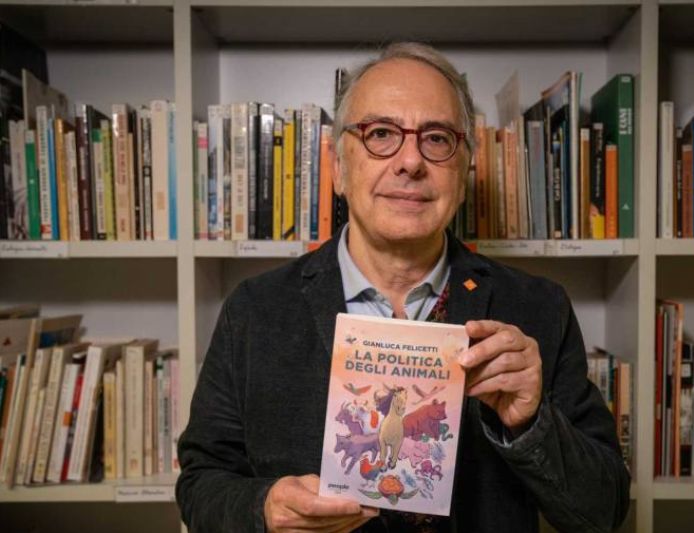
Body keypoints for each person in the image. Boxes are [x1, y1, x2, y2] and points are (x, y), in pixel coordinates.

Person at [176, 42, 630, 533]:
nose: (410, 161)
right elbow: (200, 484)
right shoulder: (255, 310)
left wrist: (532, 424)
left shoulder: (537, 308)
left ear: (464, 173)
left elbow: (603, 512)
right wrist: (264, 508)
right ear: (337, 168)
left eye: (436, 138)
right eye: (381, 134)